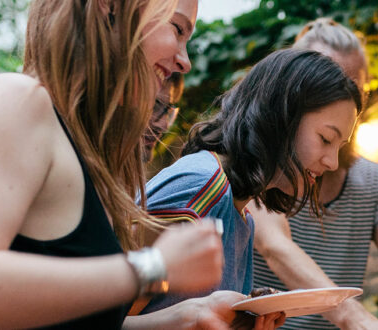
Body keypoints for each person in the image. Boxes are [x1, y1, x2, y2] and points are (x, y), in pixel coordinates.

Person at [0, 0, 229, 328]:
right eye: (177, 29)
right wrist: (153, 268)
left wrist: (182, 319)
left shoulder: (87, 154)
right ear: (108, 6)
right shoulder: (16, 100)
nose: (185, 61)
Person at [249, 18, 378, 330]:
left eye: (353, 87)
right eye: (326, 85)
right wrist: (353, 315)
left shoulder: (372, 181)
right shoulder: (261, 167)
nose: (342, 99)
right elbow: (275, 245)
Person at [133, 48, 363, 327]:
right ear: (281, 117)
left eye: (340, 147)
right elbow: (95, 318)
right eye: (326, 139)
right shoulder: (199, 185)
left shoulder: (242, 217)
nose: (332, 162)